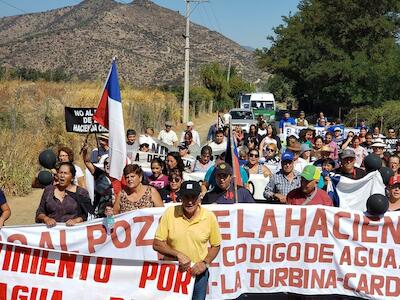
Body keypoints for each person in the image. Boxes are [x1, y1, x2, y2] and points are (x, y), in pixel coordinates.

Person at [153, 181, 221, 300]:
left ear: (199, 197)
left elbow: (216, 245)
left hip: (198, 274)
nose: (189, 201)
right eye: (186, 197)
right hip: (173, 272)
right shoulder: (170, 213)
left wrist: (205, 263)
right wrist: (178, 254)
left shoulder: (209, 217)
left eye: (193, 197)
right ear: (181, 197)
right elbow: (157, 244)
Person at [36, 162, 92, 227]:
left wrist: (76, 221)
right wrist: (46, 219)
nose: (62, 176)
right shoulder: (49, 190)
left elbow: (87, 215)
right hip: (52, 232)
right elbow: (39, 212)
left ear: (72, 177)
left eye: (65, 173)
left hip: (73, 232)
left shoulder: (81, 193)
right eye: (60, 173)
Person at [83, 145, 117, 218]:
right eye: (106, 163)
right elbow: (87, 162)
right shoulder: (99, 174)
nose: (108, 165)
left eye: (110, 163)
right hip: (100, 215)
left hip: (116, 214)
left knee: (112, 228)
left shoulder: (119, 178)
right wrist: (85, 151)